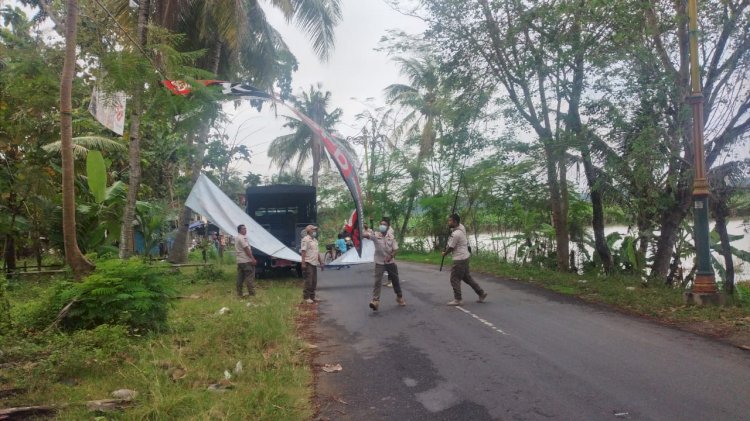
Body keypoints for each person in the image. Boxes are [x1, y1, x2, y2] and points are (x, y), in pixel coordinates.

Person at [441, 213, 487, 306]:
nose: (448, 222)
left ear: (455, 222)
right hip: (465, 257)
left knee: (454, 279)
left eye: (450, 221)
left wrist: (444, 254)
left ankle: (458, 299)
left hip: (459, 259)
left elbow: (451, 247)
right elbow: (453, 235)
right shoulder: (461, 227)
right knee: (466, 277)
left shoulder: (456, 234)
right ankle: (481, 293)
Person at [363, 218, 405, 311]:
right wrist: (359, 231)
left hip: (390, 262)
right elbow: (366, 235)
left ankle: (399, 297)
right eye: (381, 224)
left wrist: (391, 256)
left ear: (388, 226)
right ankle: (375, 301)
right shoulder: (375, 235)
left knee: (395, 280)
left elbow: (395, 249)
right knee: (377, 281)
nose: (382, 226)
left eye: (384, 224)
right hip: (379, 262)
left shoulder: (391, 236)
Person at [300, 224, 324, 304]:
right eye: (313, 230)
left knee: (314, 281)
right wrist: (303, 263)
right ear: (309, 231)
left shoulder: (315, 240)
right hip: (308, 262)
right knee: (308, 281)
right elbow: (303, 252)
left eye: (315, 230)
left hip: (314, 263)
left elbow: (317, 253)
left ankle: (312, 296)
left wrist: (321, 262)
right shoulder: (305, 239)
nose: (315, 231)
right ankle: (306, 297)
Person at [235, 224, 257, 298]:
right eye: (244, 229)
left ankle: (239, 293)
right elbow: (247, 249)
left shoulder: (237, 237)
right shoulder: (242, 238)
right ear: (240, 230)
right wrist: (252, 259)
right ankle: (252, 294)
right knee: (249, 277)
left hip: (240, 261)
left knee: (240, 277)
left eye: (245, 228)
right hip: (246, 260)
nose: (245, 230)